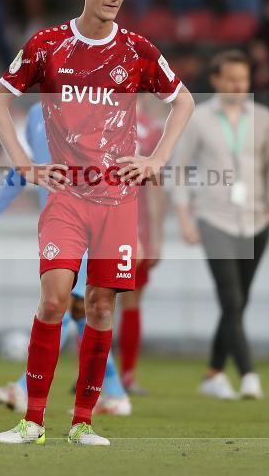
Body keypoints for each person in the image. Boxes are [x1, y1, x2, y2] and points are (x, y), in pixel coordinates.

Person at [0, 0, 194, 445]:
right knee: (55, 298)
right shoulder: (48, 45)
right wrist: (23, 162)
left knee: (100, 308)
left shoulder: (138, 50)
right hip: (66, 199)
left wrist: (156, 161)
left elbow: (183, 100)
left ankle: (82, 423)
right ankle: (32, 421)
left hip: (118, 202)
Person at [0, 102, 132, 417]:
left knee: (65, 306)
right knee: (75, 309)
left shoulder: (96, 104)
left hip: (94, 221)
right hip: (58, 224)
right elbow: (25, 167)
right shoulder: (36, 114)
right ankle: (115, 394)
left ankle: (21, 390)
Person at [174, 50, 269, 400]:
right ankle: (249, 373)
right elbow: (179, 168)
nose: (238, 84)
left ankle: (213, 373)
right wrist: (184, 216)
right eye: (231, 78)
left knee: (238, 301)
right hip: (214, 218)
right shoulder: (199, 118)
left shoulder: (263, 117)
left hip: (255, 219)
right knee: (231, 298)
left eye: (244, 78)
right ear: (216, 80)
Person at [118, 100, 166, 394]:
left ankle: (126, 375)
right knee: (97, 300)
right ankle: (102, 373)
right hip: (103, 222)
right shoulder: (101, 120)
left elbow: (157, 188)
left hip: (139, 228)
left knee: (129, 300)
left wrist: (157, 237)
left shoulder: (153, 132)